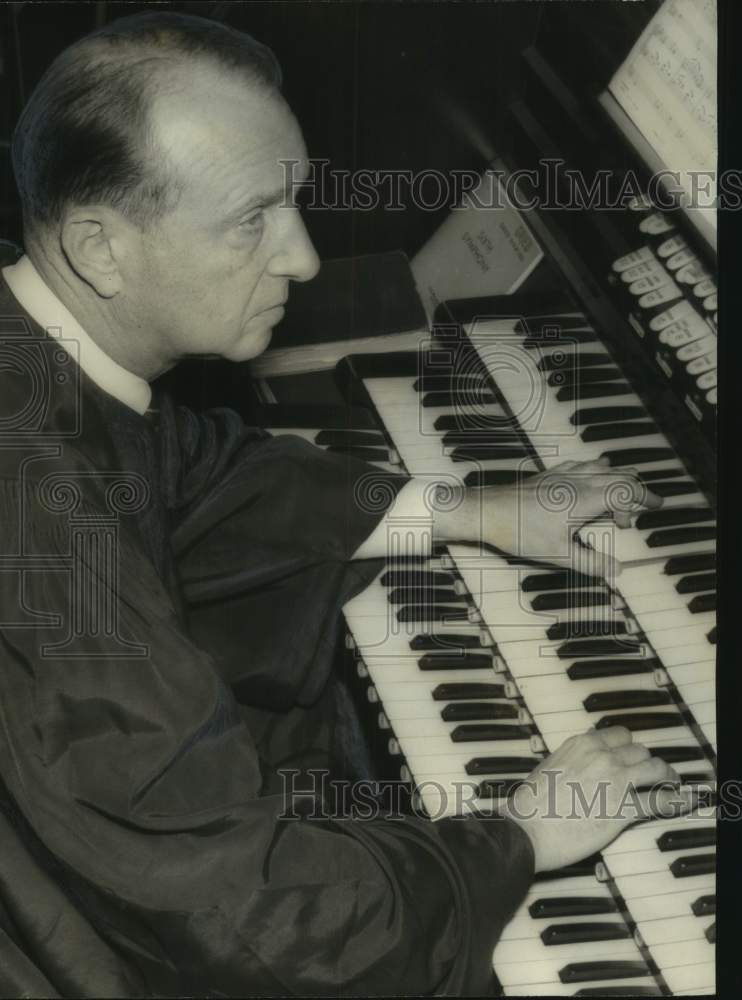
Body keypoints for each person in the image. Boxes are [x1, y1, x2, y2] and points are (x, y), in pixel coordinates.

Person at [0, 11, 688, 998]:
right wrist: (521, 833)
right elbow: (249, 918)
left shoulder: (37, 351)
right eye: (251, 220)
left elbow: (205, 480)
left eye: (297, 202)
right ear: (101, 250)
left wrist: (471, 510)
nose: (303, 258)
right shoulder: (53, 541)